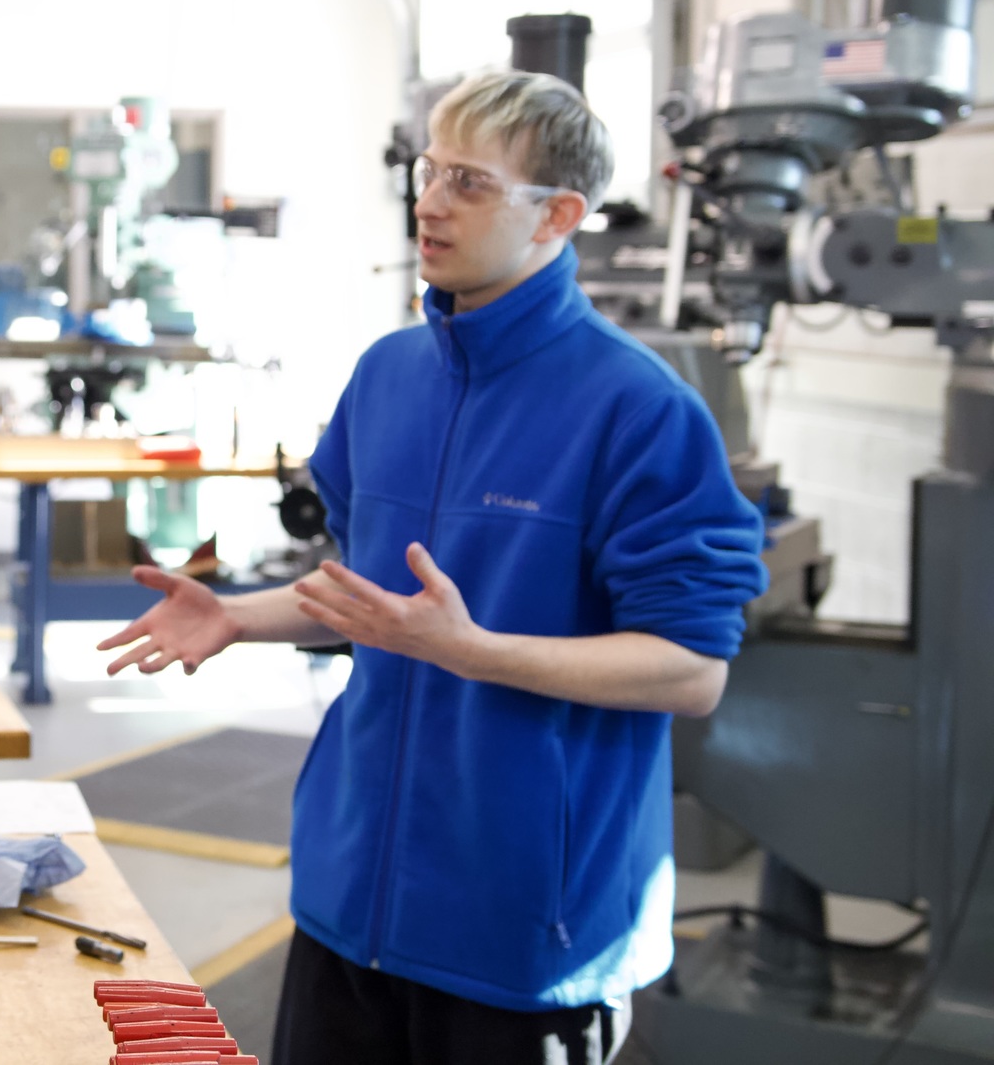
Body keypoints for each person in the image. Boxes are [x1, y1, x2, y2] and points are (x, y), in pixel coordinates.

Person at [99, 72, 768, 1065]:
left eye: (466, 181)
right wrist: (238, 613)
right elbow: (373, 602)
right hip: (349, 892)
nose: (428, 202)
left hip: (519, 929)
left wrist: (475, 652)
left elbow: (689, 670)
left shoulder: (637, 409)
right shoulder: (387, 372)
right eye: (427, 171)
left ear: (558, 214)